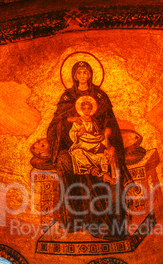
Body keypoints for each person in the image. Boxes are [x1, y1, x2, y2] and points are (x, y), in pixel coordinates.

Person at [47, 60, 132, 239]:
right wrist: (70, 121)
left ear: (91, 74)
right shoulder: (67, 97)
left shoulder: (100, 96)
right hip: (74, 147)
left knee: (109, 162)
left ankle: (110, 223)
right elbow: (55, 126)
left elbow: (110, 125)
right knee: (64, 160)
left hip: (99, 145)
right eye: (79, 73)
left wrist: (111, 146)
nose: (83, 76)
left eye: (86, 72)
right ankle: (75, 218)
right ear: (74, 76)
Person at [69, 98, 115, 184]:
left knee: (102, 156)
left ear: (91, 109)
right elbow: (72, 133)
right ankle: (91, 168)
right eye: (84, 108)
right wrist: (79, 133)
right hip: (82, 144)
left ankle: (105, 174)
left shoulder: (94, 121)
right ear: (81, 110)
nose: (86, 110)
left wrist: (104, 145)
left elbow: (99, 134)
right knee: (76, 152)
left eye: (88, 108)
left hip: (94, 144)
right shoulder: (78, 121)